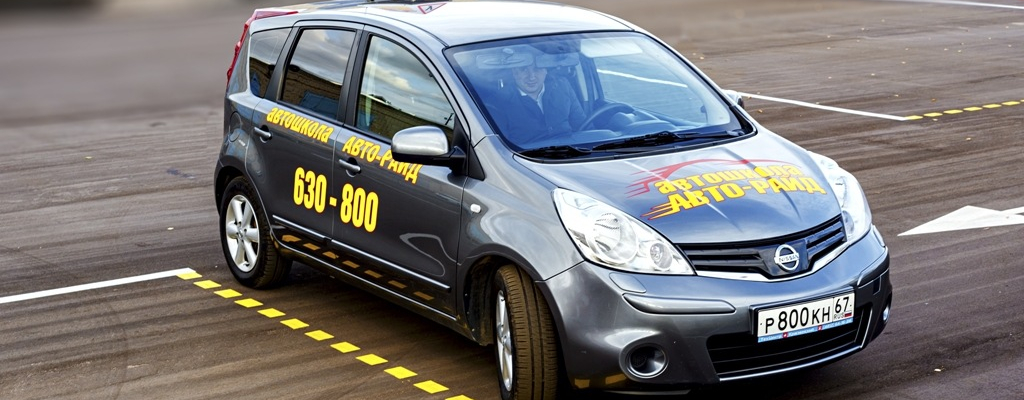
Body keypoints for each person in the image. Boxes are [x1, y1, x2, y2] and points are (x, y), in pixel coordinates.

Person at [488, 55, 587, 147]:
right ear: (514, 72)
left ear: (546, 70)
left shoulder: (562, 86)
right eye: (524, 69)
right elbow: (499, 147)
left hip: (571, 152)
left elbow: (583, 127)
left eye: (537, 69)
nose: (531, 77)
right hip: (526, 157)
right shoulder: (499, 101)